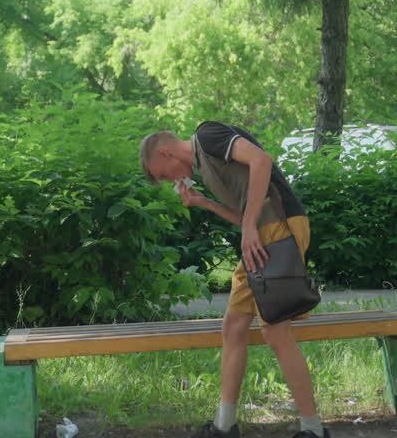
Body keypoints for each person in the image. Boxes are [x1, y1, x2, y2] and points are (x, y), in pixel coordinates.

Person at [140, 121, 327, 438]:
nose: (169, 180)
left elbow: (262, 161)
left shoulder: (207, 135)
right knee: (234, 326)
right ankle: (224, 426)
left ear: (164, 152)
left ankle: (313, 430)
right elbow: (245, 217)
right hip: (263, 235)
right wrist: (205, 203)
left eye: (162, 174)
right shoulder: (206, 166)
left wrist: (251, 227)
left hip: (277, 230)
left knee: (276, 333)